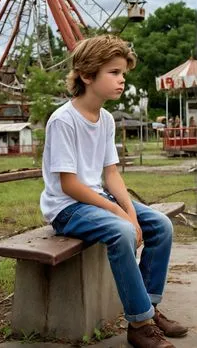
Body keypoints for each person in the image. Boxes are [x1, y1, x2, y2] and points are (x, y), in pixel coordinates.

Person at [40, 35, 188, 348]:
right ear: (87, 75)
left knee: (161, 225)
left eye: (122, 73)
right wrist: (122, 216)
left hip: (97, 201)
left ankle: (149, 307)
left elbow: (111, 174)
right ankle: (139, 325)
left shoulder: (105, 118)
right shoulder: (63, 121)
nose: (122, 80)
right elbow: (70, 185)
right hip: (67, 208)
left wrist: (131, 211)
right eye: (114, 73)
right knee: (121, 231)